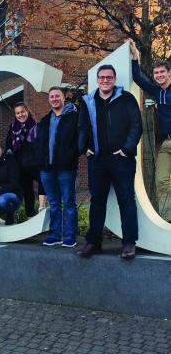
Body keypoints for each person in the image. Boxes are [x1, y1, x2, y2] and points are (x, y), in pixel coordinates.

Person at [77, 64, 143, 259]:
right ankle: (93, 242)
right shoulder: (88, 100)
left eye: (109, 77)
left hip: (121, 159)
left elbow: (136, 125)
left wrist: (127, 149)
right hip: (97, 159)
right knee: (97, 201)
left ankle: (129, 243)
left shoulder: (126, 98)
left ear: (114, 79)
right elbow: (82, 126)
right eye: (102, 77)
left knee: (126, 200)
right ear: (97, 80)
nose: (105, 80)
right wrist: (84, 148)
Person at [129, 39, 171, 221]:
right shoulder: (156, 90)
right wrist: (135, 57)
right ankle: (167, 218)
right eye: (156, 73)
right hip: (165, 143)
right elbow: (138, 78)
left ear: (169, 73)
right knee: (161, 180)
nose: (159, 75)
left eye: (163, 72)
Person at [35, 86, 79, 247]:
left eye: (57, 96)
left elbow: (79, 140)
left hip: (66, 168)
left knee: (68, 202)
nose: (54, 99)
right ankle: (55, 234)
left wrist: (71, 155)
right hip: (47, 168)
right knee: (53, 203)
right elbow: (39, 143)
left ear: (63, 97)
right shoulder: (46, 120)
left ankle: (70, 236)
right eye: (51, 96)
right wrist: (40, 161)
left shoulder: (73, 117)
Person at [6, 102, 46, 217]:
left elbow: (41, 146)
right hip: (20, 166)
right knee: (28, 192)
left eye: (22, 112)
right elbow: (8, 146)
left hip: (35, 164)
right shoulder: (13, 128)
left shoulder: (36, 126)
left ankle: (42, 208)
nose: (20, 115)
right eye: (18, 113)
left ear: (27, 111)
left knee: (43, 182)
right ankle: (30, 216)